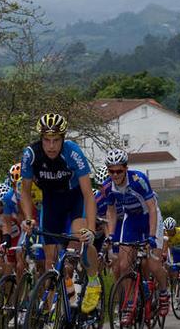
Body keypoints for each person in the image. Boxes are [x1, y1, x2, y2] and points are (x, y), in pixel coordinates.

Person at [19, 113, 102, 314]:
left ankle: (93, 280)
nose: (51, 146)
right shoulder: (31, 154)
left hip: (75, 199)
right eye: (46, 140)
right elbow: (25, 192)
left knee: (80, 238)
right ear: (40, 139)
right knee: (50, 263)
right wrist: (28, 218)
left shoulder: (73, 153)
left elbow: (88, 195)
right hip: (51, 202)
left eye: (56, 140)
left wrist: (90, 229)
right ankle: (53, 314)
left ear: (63, 138)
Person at [101, 148, 168, 319]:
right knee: (123, 266)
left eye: (119, 171)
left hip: (149, 218)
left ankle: (163, 292)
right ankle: (130, 302)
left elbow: (152, 208)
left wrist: (152, 236)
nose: (115, 174)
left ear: (126, 168)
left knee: (153, 265)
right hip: (131, 219)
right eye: (111, 171)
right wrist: (111, 235)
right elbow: (111, 212)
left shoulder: (138, 180)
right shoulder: (108, 186)